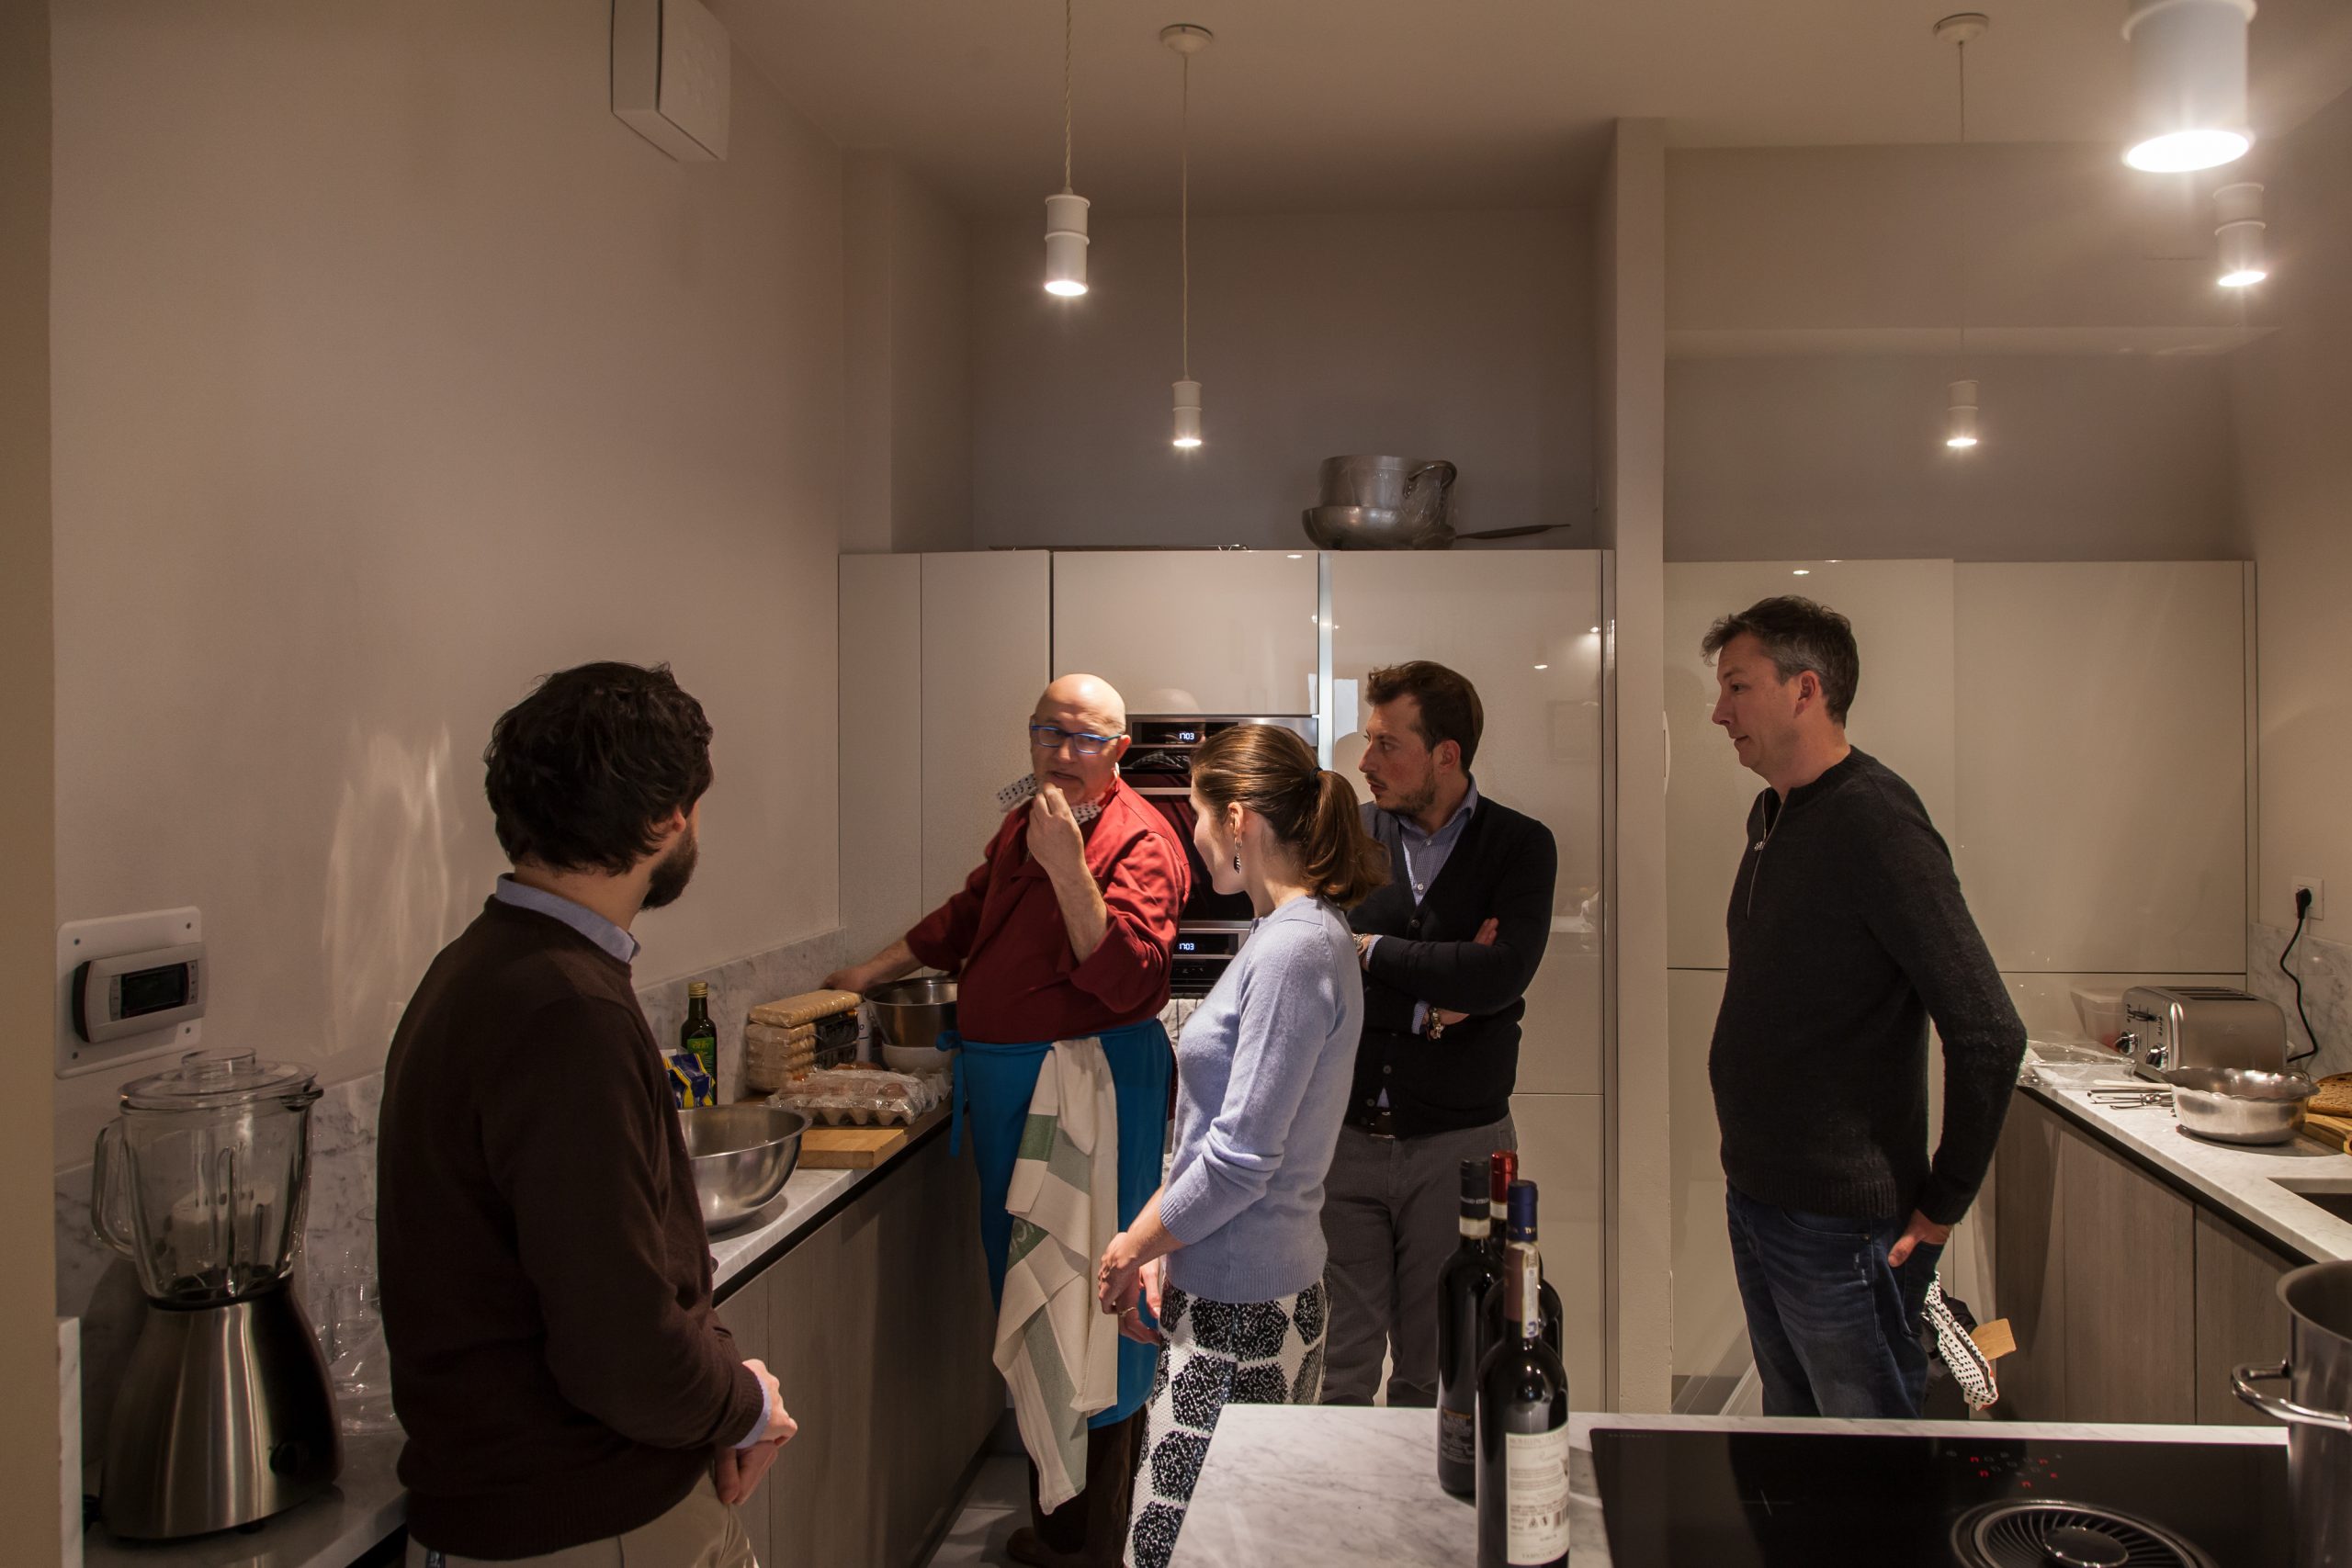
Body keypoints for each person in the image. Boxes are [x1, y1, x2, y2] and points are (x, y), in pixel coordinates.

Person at [379, 661, 796, 1568]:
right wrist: (746, 1403)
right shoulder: (569, 1012)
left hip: (525, 1510)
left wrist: (724, 1384)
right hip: (587, 1522)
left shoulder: (481, 968)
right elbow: (621, 1346)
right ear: (665, 820)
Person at [824, 673, 1185, 1568]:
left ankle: (1094, 1542)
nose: (1060, 754)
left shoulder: (1140, 838)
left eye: (1082, 739)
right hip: (1011, 1093)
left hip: (1087, 1093)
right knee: (1035, 1302)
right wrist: (864, 976)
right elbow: (968, 914)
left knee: (1092, 1301)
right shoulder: (1024, 823)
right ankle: (1057, 1523)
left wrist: (1069, 869)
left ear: (1118, 751)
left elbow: (1132, 981)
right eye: (1046, 734)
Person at [1702, 597, 2026, 1418]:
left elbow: (1989, 1031)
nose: (1719, 712)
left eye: (1738, 687)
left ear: (1804, 689)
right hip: (1760, 1195)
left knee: (1867, 1470)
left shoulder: (1875, 819)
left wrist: (1941, 1207)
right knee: (1797, 1437)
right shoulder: (1774, 813)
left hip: (1843, 1225)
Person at [1093, 723, 1384, 1568]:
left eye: (1195, 814)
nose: (1189, 834)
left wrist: (1132, 1244)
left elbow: (1242, 1158)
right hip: (1236, 1289)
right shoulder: (1291, 934)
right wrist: (1164, 1251)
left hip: (1241, 1314)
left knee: (1176, 1549)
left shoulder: (1294, 949)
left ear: (1239, 819)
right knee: (1235, 1541)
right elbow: (1216, 1132)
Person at [1318, 660, 1557, 1407]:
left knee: (1441, 1362)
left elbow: (1499, 978)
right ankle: (1344, 1523)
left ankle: (1425, 1520)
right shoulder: (1348, 836)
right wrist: (1430, 1005)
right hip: (1345, 1137)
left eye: (1387, 744)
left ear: (1445, 754)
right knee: (1344, 1365)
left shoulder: (1521, 845)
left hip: (1461, 1142)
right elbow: (1319, 971)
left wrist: (1375, 951)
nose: (1365, 762)